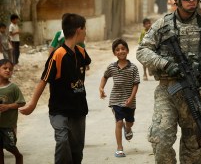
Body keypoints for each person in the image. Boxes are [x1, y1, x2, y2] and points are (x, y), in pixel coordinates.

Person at [136, 0, 201, 163]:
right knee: (161, 140)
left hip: (195, 94)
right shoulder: (163, 24)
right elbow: (142, 51)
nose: (192, 0)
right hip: (167, 91)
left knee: (192, 148)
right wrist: (165, 64)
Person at [19, 13, 91, 164]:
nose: (86, 32)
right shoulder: (58, 55)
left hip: (79, 110)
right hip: (59, 111)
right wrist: (32, 104)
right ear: (79, 30)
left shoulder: (81, 52)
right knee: (63, 140)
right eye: (85, 29)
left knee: (76, 151)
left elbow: (82, 69)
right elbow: (44, 80)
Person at [99, 38, 140, 158]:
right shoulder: (112, 67)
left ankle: (127, 129)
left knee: (130, 122)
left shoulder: (133, 68)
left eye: (123, 49)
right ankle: (119, 148)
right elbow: (105, 77)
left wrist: (131, 98)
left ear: (127, 51)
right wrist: (101, 88)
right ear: (114, 53)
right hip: (116, 99)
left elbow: (135, 84)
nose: (120, 51)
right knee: (118, 122)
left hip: (129, 101)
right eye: (117, 50)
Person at [0, 59, 25, 164]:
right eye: (4, 68)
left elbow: (21, 102)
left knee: (10, 146)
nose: (8, 70)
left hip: (8, 125)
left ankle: (18, 156)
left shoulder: (13, 88)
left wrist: (8, 106)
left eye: (10, 69)